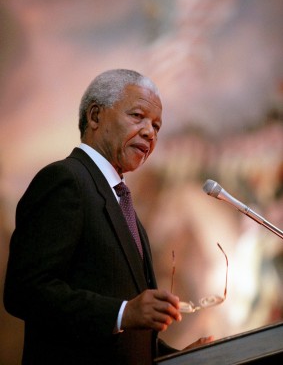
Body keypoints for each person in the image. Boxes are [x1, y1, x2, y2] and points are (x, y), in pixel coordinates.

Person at [4, 69, 212, 365]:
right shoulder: (66, 180)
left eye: (156, 125)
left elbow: (126, 333)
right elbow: (24, 292)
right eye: (138, 116)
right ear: (95, 116)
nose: (150, 132)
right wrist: (123, 313)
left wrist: (178, 357)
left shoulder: (121, 201)